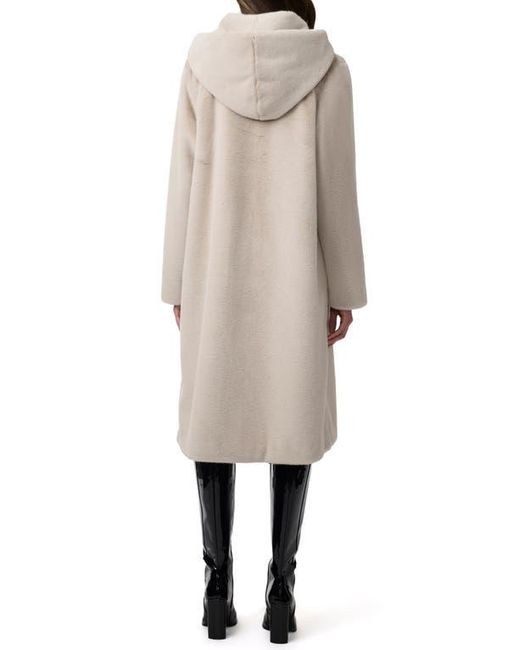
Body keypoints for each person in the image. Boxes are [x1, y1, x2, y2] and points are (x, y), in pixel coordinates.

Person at [161, 0, 367, 642]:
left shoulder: (202, 64)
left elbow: (182, 180)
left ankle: (215, 587)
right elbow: (336, 186)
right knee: (292, 419)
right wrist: (344, 289)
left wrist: (177, 282)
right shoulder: (326, 69)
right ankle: (281, 591)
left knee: (212, 418)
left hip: (214, 272)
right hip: (295, 276)